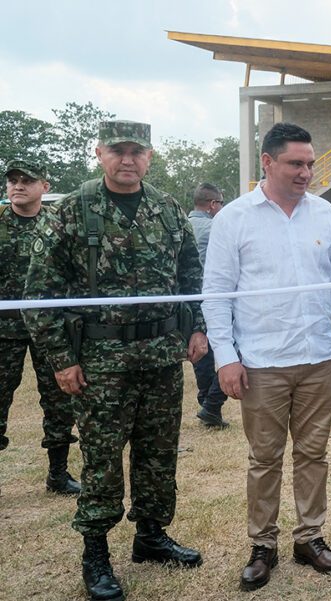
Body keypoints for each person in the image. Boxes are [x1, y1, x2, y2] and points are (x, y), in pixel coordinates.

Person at [23, 120, 208, 601]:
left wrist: (198, 326)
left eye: (137, 151)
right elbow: (38, 295)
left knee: (158, 454)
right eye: (118, 150)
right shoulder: (72, 210)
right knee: (102, 460)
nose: (128, 160)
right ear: (100, 152)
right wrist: (61, 359)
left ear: (149, 156)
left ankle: (151, 535)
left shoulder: (167, 208)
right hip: (101, 361)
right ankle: (96, 553)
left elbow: (191, 274)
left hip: (162, 355)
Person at [202, 123, 331, 591]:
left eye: (310, 163)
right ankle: (262, 545)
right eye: (296, 163)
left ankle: (309, 537)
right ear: (267, 162)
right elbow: (216, 293)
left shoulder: (324, 214)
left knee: (313, 453)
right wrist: (226, 357)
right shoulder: (234, 218)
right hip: (261, 362)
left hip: (320, 357)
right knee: (265, 457)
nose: (306, 172)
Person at [0, 159, 80, 496]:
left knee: (59, 400)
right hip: (4, 331)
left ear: (44, 187)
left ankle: (58, 474)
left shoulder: (57, 223)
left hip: (49, 328)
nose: (18, 186)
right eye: (12, 180)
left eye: (26, 180)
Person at [187, 183, 229, 428]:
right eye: (221, 203)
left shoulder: (183, 224)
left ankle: (207, 405)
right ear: (213, 204)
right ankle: (212, 404)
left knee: (201, 353)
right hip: (212, 297)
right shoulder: (214, 228)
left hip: (189, 300)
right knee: (238, 348)